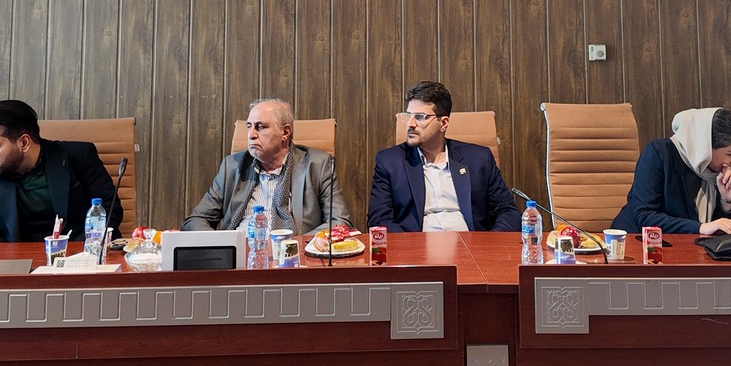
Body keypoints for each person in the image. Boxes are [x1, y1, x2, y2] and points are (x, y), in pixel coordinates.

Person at [368, 81, 519, 232]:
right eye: (408, 116)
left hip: (471, 242)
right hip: (417, 244)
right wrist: (411, 245)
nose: (410, 124)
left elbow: (508, 212)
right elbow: (379, 220)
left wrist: (489, 243)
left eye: (420, 117)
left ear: (444, 123)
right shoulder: (389, 162)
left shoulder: (479, 158)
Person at [184, 98, 351, 234]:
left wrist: (294, 246)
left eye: (260, 127)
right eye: (249, 126)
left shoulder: (317, 165)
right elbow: (196, 220)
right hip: (241, 254)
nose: (251, 135)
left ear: (285, 132)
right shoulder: (232, 166)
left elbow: (339, 222)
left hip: (294, 256)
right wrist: (223, 245)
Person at [0, 99, 121, 242]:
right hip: (18, 258)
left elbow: (109, 210)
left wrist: (76, 254)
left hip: (80, 252)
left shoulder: (79, 157)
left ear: (24, 143)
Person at [611, 106, 731, 236]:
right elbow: (644, 216)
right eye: (730, 154)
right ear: (705, 146)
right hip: (634, 242)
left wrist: (726, 201)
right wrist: (699, 227)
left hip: (687, 245)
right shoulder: (658, 153)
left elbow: (714, 229)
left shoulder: (716, 171)